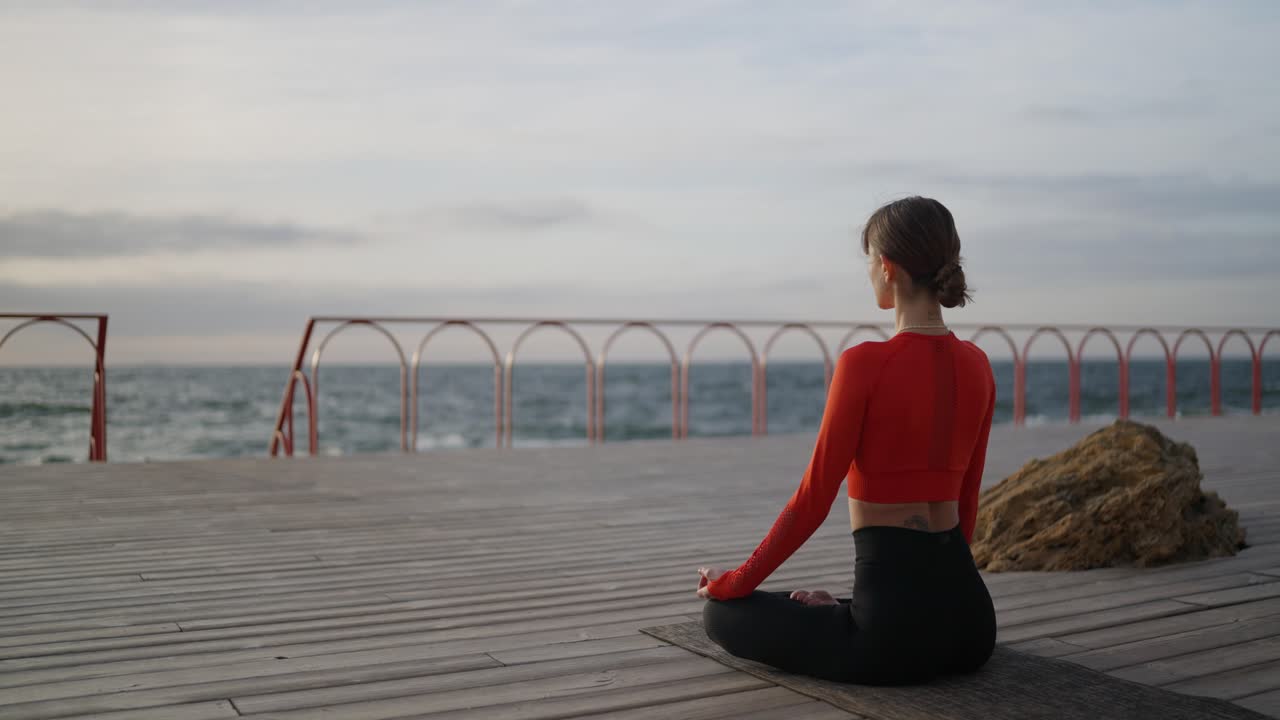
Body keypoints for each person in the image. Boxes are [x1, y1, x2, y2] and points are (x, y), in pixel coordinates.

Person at [696, 196, 997, 685]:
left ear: (887, 266)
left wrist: (733, 583)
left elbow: (812, 501)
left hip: (888, 639)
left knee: (722, 615)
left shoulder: (864, 364)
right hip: (971, 627)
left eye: (869, 261)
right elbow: (968, 502)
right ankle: (845, 609)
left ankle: (843, 612)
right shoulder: (979, 365)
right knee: (808, 604)